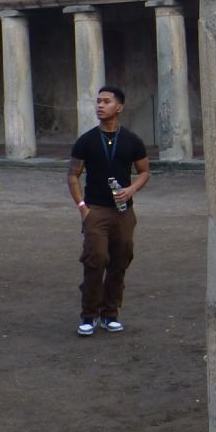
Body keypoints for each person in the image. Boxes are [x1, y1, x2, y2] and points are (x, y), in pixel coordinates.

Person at [68, 86, 150, 335]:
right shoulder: (87, 140)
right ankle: (89, 315)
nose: (100, 106)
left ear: (119, 107)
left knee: (120, 260)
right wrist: (83, 208)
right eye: (98, 101)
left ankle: (110, 313)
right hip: (97, 210)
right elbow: (73, 175)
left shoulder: (132, 141)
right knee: (96, 259)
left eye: (106, 101)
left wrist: (131, 189)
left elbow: (144, 172)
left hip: (124, 212)